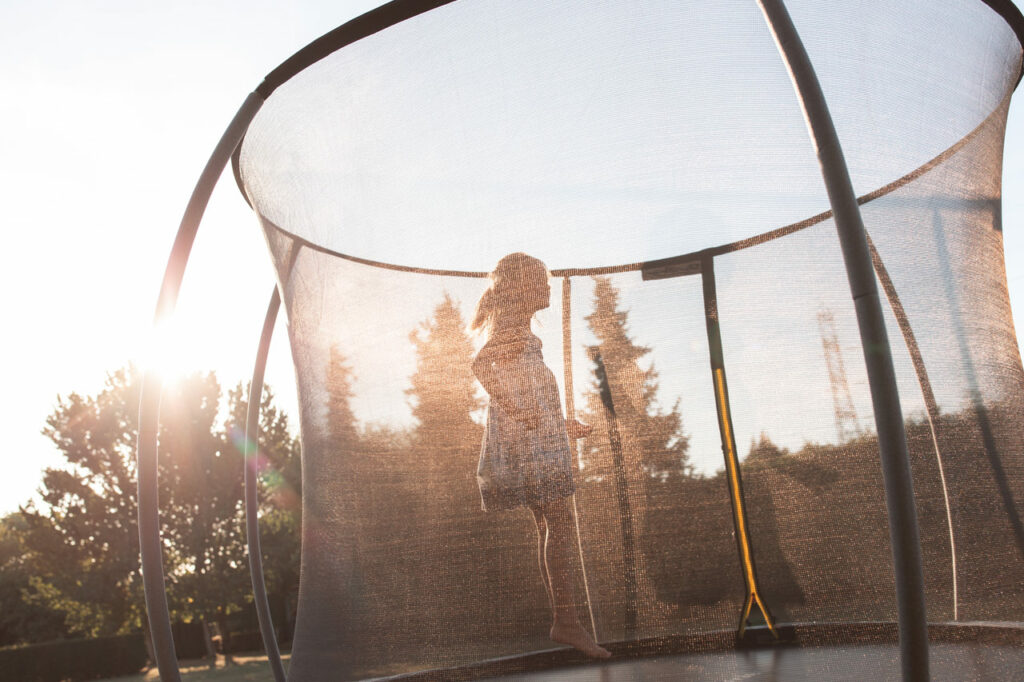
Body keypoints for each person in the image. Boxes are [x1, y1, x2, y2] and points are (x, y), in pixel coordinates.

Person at [471, 252, 611, 659]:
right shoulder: (513, 327)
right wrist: (520, 414)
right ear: (520, 288)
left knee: (549, 523)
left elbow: (525, 385)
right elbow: (480, 365)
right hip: (529, 439)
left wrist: (558, 422)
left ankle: (563, 619)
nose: (548, 287)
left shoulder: (521, 331)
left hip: (538, 434)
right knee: (560, 520)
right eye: (542, 280)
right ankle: (566, 621)